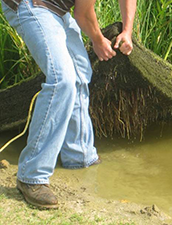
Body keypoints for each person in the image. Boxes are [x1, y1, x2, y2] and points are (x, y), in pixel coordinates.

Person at [1, 0, 136, 209]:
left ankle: (80, 155)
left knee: (81, 72)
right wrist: (98, 40)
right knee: (61, 80)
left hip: (57, 9)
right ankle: (32, 176)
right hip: (32, 4)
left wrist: (127, 31)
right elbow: (83, 14)